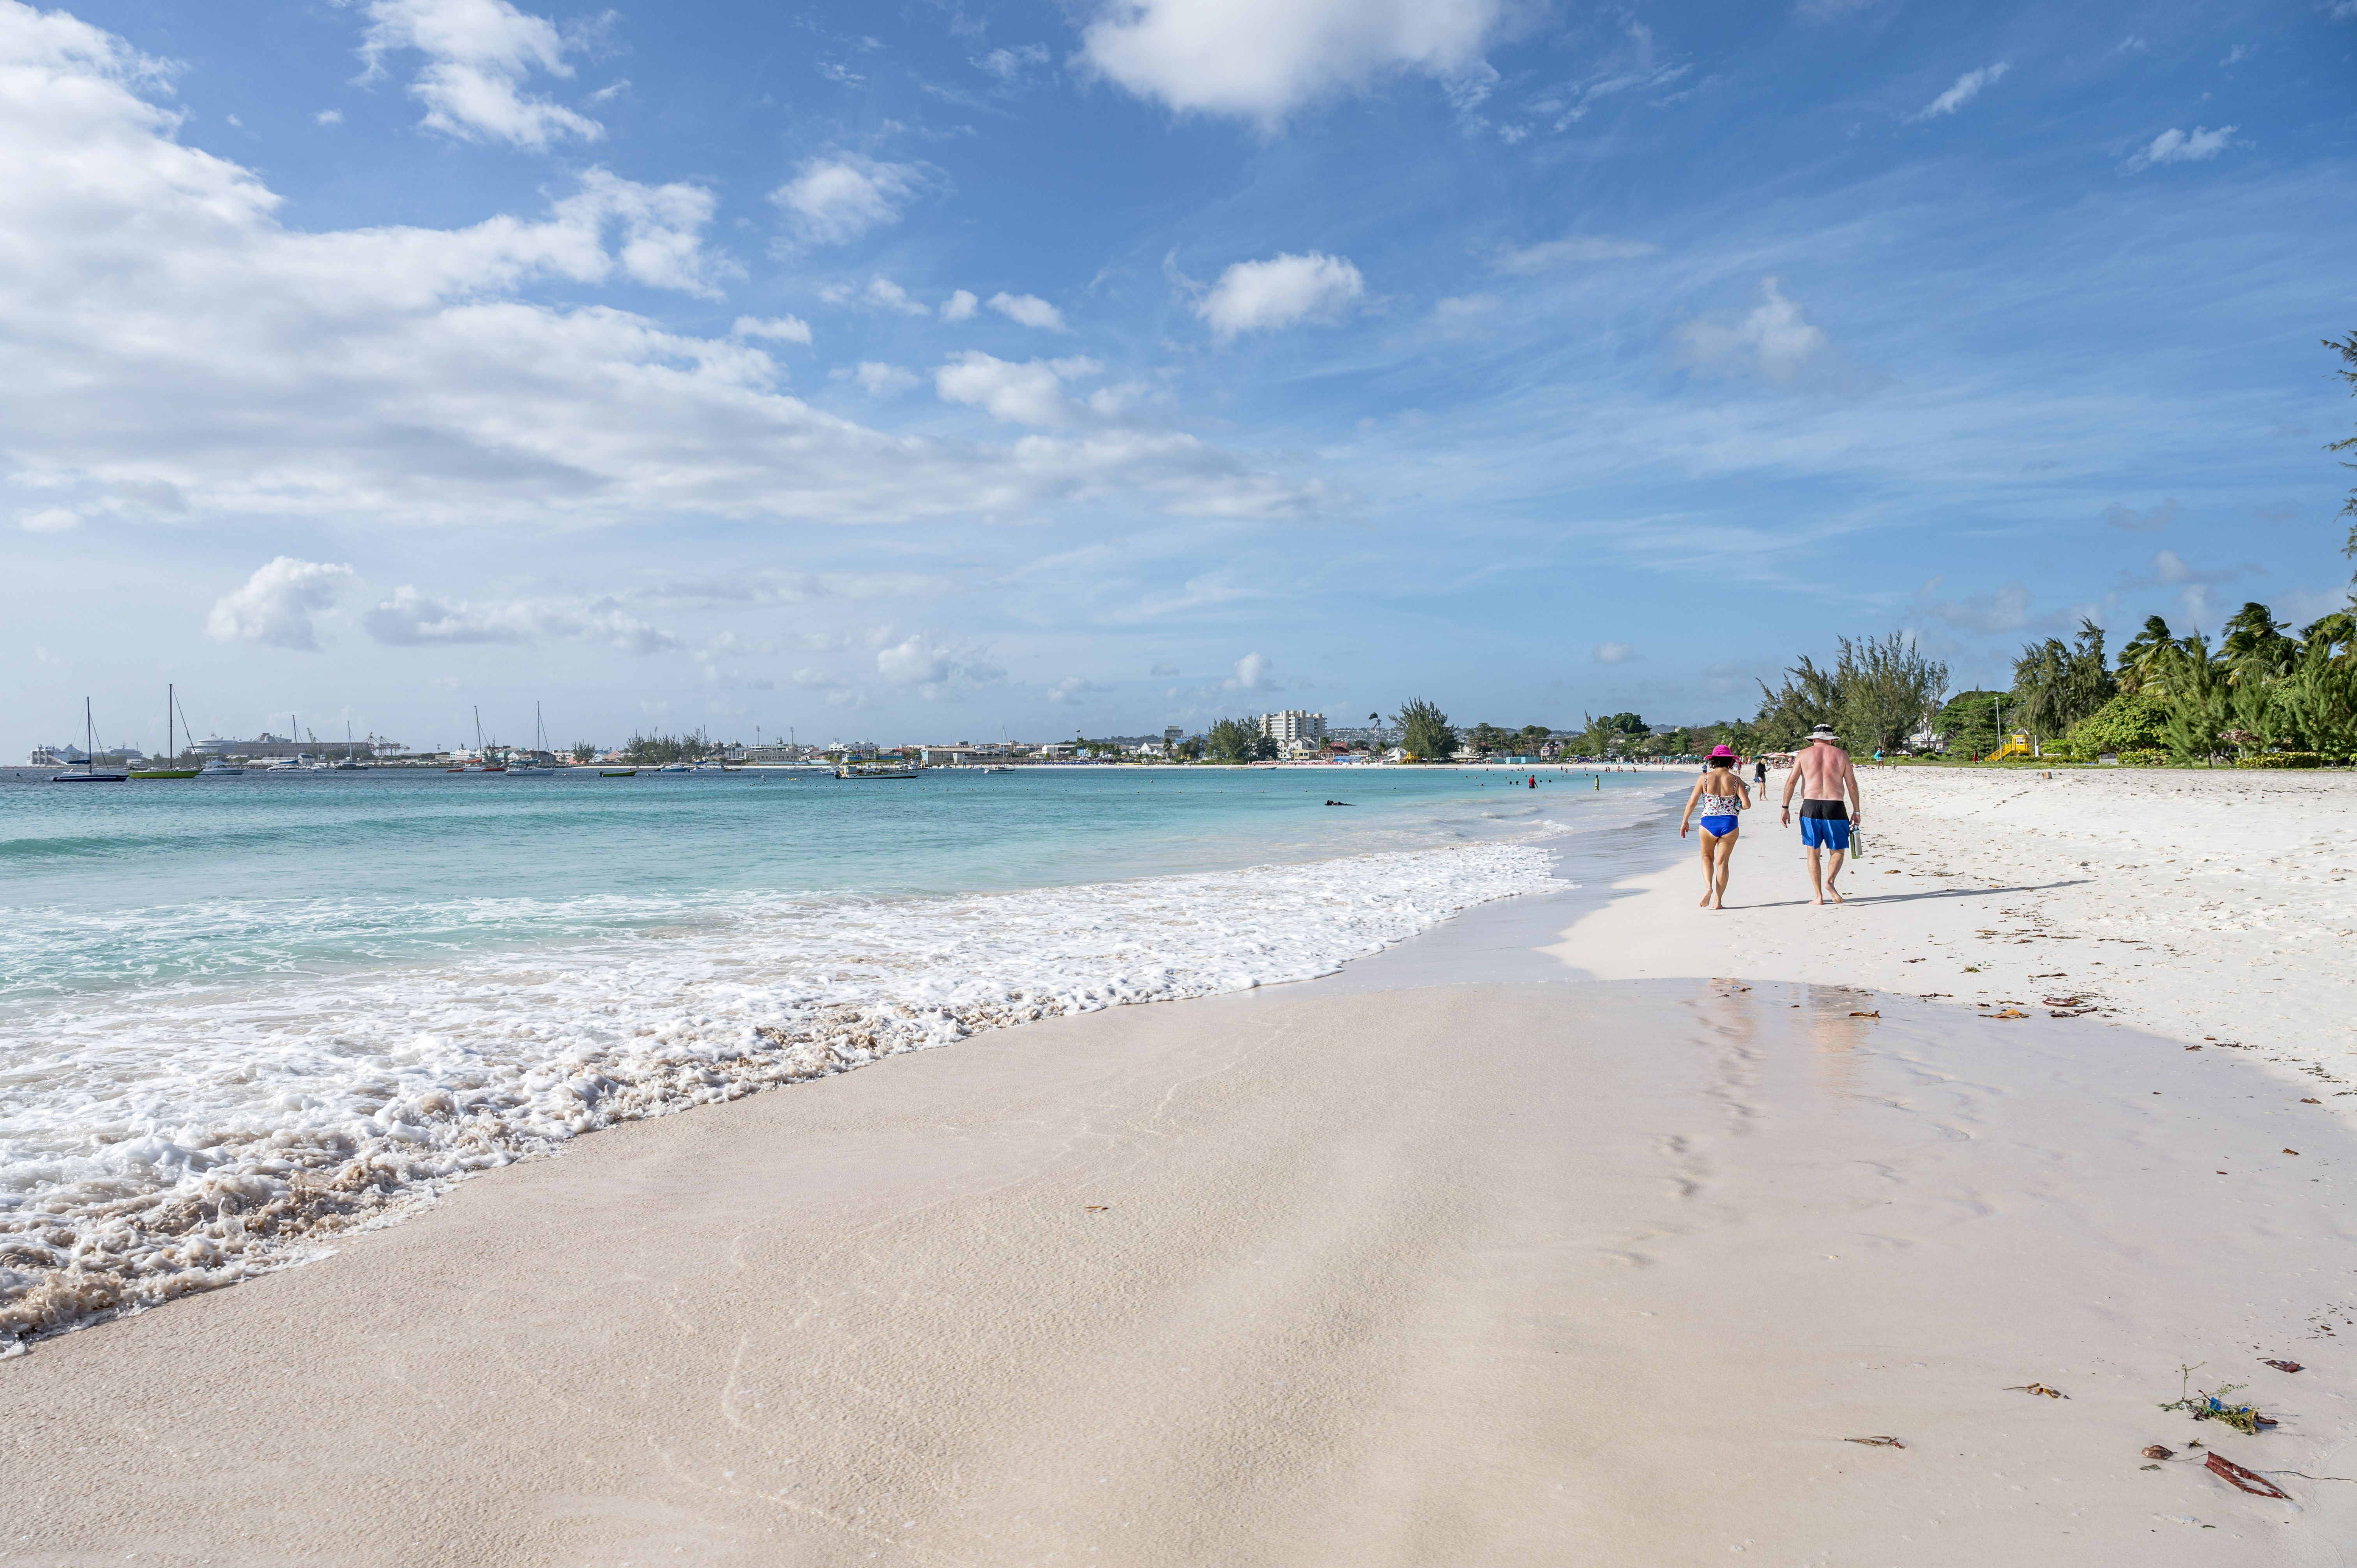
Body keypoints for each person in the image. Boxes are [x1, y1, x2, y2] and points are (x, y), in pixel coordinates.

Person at [1780, 723, 1861, 905]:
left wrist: (1785, 808)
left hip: (1810, 807)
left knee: (1813, 852)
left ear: (1814, 739)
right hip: (1836, 807)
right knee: (1837, 851)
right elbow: (1851, 785)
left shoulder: (1803, 755)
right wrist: (1856, 811)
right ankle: (1830, 882)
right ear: (1832, 740)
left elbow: (1791, 782)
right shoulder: (1842, 755)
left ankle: (1818, 896)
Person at [1677, 744, 1751, 910]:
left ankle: (1708, 888)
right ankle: (1718, 902)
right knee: (1723, 864)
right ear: (1730, 762)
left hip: (1708, 823)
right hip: (1730, 823)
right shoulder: (1736, 780)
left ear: (1713, 761)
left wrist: (1685, 821)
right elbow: (1747, 805)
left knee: (1706, 858)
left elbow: (1692, 802)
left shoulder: (1704, 778)